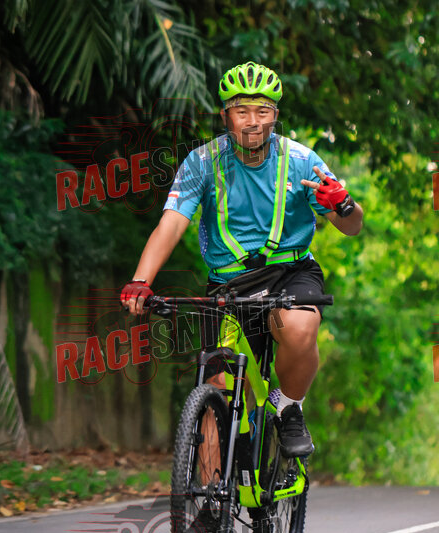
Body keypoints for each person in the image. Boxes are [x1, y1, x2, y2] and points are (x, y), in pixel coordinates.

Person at [120, 61, 363, 461]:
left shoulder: (302, 161)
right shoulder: (202, 162)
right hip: (228, 285)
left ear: (275, 115)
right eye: (242, 111)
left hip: (290, 273)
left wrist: (344, 205)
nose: (252, 121)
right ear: (225, 116)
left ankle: (288, 408)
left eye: (262, 111)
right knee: (217, 391)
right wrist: (141, 280)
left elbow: (351, 226)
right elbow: (172, 223)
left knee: (299, 326)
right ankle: (203, 497)